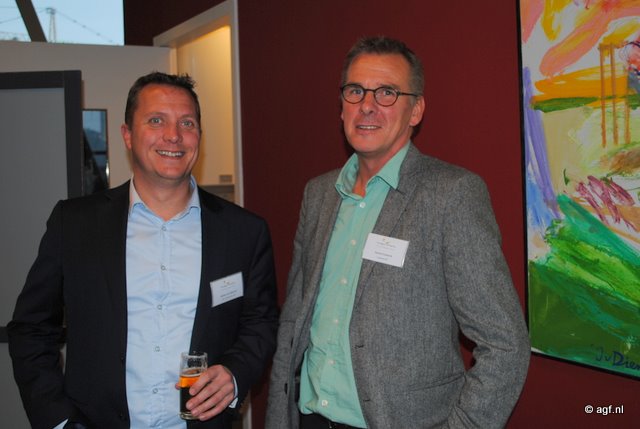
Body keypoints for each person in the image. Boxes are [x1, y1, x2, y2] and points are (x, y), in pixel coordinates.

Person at [266, 36, 530, 429]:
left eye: (387, 92)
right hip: (310, 418)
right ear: (342, 105)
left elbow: (506, 344)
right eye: (355, 91)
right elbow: (293, 323)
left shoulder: (451, 195)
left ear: (415, 110)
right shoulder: (318, 194)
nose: (367, 105)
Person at [8, 72, 279, 429]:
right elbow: (30, 330)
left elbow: (261, 322)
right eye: (156, 121)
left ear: (199, 135)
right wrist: (58, 420)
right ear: (127, 135)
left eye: (187, 123)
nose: (174, 135)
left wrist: (235, 372)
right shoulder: (74, 224)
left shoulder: (244, 232)